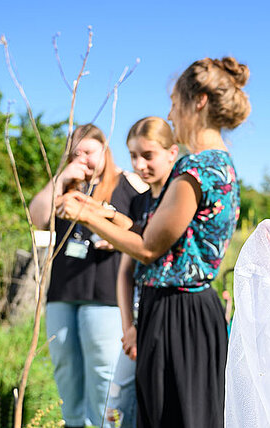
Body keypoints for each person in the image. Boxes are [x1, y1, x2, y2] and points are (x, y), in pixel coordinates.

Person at [54, 57, 249, 428]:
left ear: (199, 101)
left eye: (175, 102)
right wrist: (102, 213)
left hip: (180, 313)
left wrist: (86, 216)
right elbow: (158, 235)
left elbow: (148, 248)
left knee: (173, 416)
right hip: (187, 310)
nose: (171, 114)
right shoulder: (217, 163)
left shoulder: (197, 169)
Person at [27, 123, 146, 428]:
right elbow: (36, 218)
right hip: (63, 292)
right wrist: (61, 178)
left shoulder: (125, 184)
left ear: (105, 149)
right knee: (65, 366)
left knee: (104, 369)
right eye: (75, 153)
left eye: (89, 152)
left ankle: (106, 424)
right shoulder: (68, 187)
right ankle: (74, 422)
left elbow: (141, 229)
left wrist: (114, 233)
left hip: (105, 293)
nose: (83, 159)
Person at [105, 116, 180, 428]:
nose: (139, 164)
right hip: (140, 313)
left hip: (172, 310)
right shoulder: (137, 202)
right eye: (133, 156)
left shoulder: (178, 197)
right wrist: (129, 327)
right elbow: (126, 269)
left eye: (147, 156)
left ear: (171, 153)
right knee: (116, 397)